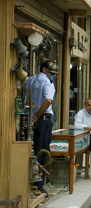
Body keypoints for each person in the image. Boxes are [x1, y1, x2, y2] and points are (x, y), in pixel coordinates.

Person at [26, 60, 58, 194]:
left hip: (29, 120)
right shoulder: (47, 83)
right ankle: (37, 185)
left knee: (32, 151)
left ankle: (31, 183)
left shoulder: (30, 80)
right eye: (52, 73)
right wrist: (37, 116)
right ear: (45, 70)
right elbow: (48, 100)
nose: (53, 76)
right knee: (42, 152)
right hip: (42, 120)